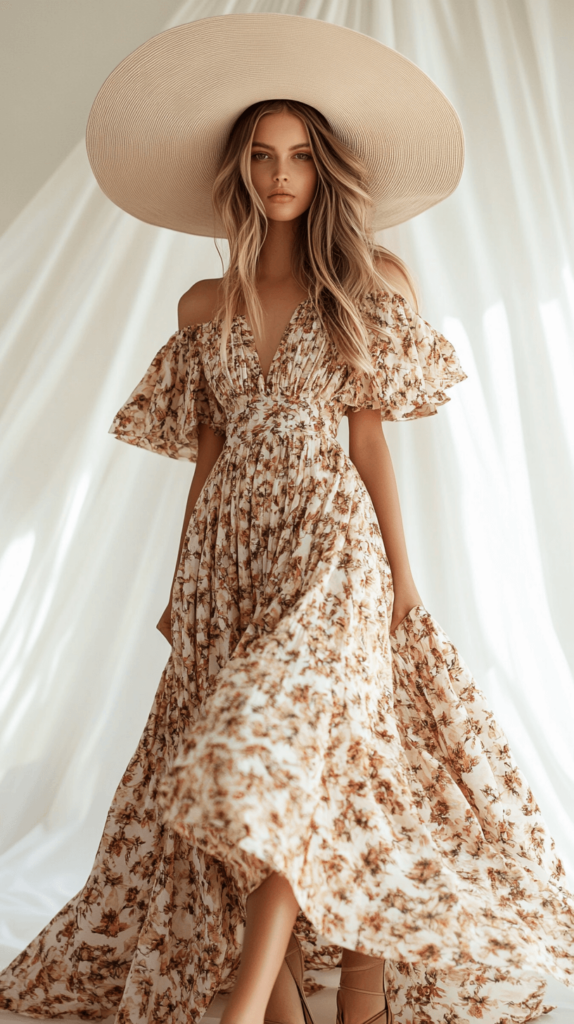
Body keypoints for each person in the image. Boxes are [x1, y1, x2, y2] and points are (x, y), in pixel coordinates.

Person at [1, 14, 573, 1024]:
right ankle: (308, 1005)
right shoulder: (199, 309)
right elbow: (207, 462)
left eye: (300, 156)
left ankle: (241, 1009)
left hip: (331, 554)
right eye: (263, 156)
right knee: (250, 783)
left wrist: (401, 578)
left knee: (278, 762)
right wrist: (182, 589)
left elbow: (369, 444)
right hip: (231, 565)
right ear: (239, 170)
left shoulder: (365, 288)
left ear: (324, 172)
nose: (280, 174)